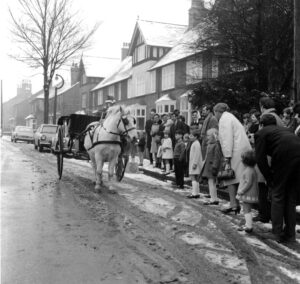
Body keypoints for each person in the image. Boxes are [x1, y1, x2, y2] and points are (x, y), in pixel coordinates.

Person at [255, 114, 300, 243]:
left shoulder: (261, 133)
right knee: (290, 196)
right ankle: (290, 234)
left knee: (277, 194)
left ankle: (276, 233)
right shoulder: (286, 130)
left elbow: (260, 159)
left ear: (261, 124)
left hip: (283, 156)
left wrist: (269, 178)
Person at [213, 103, 252, 214]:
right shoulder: (230, 117)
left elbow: (227, 139)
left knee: (229, 177)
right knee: (237, 178)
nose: (214, 115)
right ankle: (236, 204)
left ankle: (234, 204)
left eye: (214, 112)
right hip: (241, 150)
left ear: (217, 111)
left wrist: (227, 157)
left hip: (236, 152)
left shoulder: (224, 119)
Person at [236, 150, 259, 233]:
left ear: (245, 161)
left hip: (247, 193)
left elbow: (248, 183)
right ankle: (248, 224)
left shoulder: (248, 170)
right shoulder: (252, 169)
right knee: (247, 209)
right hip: (250, 193)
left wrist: (242, 191)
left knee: (246, 210)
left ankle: (249, 226)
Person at [202, 128, 223, 205]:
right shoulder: (210, 144)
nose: (207, 137)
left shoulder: (216, 145)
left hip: (212, 166)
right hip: (209, 166)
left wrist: (214, 166)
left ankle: (213, 199)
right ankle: (213, 198)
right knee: (210, 182)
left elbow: (217, 157)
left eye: (209, 135)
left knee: (212, 182)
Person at [186, 130, 203, 199]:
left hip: (194, 163)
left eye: (192, 136)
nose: (190, 137)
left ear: (196, 137)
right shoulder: (195, 143)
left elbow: (197, 154)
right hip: (194, 162)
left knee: (193, 177)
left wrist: (195, 163)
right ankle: (196, 192)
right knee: (195, 178)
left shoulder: (196, 144)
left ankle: (194, 193)